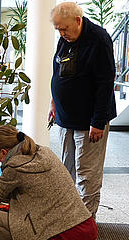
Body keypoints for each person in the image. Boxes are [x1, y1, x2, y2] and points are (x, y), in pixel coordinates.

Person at [0, 125, 97, 240]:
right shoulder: (44, 151)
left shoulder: (14, 168)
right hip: (86, 225)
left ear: (3, 152)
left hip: (63, 235)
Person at [48, 2, 116, 219]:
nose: (61, 33)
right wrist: (53, 102)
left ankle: (86, 224)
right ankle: (69, 219)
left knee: (87, 175)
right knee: (66, 173)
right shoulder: (65, 38)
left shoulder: (98, 39)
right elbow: (58, 71)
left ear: (78, 20)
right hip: (65, 118)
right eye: (58, 29)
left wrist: (98, 121)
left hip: (89, 122)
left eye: (64, 28)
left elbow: (106, 83)